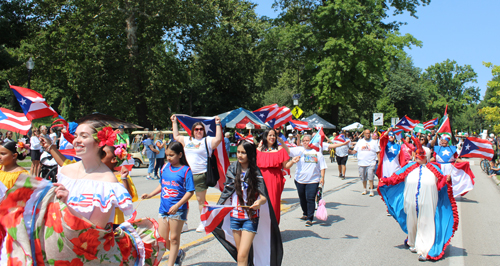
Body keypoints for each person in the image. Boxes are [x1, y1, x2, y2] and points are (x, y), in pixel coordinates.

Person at [378, 135, 457, 261]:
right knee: (412, 222)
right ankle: (413, 241)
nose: (418, 158)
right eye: (417, 155)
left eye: (422, 156)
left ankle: (425, 249)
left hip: (428, 203)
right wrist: (385, 180)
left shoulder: (435, 168)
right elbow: (396, 178)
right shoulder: (409, 167)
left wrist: (447, 179)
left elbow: (441, 183)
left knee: (426, 223)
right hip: (410, 203)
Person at [215, 140, 275, 266]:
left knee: (242, 254)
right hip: (235, 217)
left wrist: (259, 202)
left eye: (243, 153)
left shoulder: (256, 172)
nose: (240, 155)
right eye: (238, 152)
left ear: (250, 154)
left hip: (251, 217)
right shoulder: (232, 168)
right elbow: (227, 191)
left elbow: (264, 196)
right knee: (241, 255)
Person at [141, 142, 194, 266]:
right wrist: (150, 194)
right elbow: (162, 184)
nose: (168, 158)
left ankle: (171, 263)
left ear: (180, 154)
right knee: (162, 239)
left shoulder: (186, 171)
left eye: (171, 155)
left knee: (174, 238)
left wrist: (177, 205)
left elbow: (190, 191)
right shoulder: (165, 167)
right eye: (167, 155)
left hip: (178, 210)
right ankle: (178, 253)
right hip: (164, 208)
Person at [171, 114, 223, 233]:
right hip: (186, 174)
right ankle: (183, 222)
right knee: (183, 199)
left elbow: (218, 139)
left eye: (201, 129)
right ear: (193, 131)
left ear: (203, 131)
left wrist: (218, 124)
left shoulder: (207, 140)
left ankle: (203, 221)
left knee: (201, 200)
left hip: (201, 174)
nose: (199, 131)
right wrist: (174, 122)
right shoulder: (187, 140)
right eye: (196, 129)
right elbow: (176, 136)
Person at [288, 134, 327, 227]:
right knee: (302, 198)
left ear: (312, 141)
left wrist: (322, 177)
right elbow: (287, 150)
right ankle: (305, 213)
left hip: (313, 180)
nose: (305, 142)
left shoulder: (317, 153)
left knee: (310, 198)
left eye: (307, 140)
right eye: (304, 141)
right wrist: (281, 142)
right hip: (299, 180)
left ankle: (310, 218)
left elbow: (322, 167)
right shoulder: (299, 150)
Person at [256, 128, 293, 224]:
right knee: (259, 203)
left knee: (273, 203)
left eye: (274, 135)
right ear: (265, 136)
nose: (272, 137)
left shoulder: (280, 150)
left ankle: (273, 228)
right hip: (260, 180)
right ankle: (260, 228)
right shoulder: (258, 150)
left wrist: (292, 161)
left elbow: (286, 165)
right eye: (270, 135)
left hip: (274, 179)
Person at [349, 129, 380, 196]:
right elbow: (355, 151)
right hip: (361, 162)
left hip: (371, 162)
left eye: (369, 133)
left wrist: (379, 162)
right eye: (366, 133)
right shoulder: (360, 142)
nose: (368, 135)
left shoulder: (374, 142)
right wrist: (350, 152)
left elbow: (378, 152)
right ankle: (365, 189)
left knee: (370, 176)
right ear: (364, 134)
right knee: (363, 177)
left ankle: (371, 190)